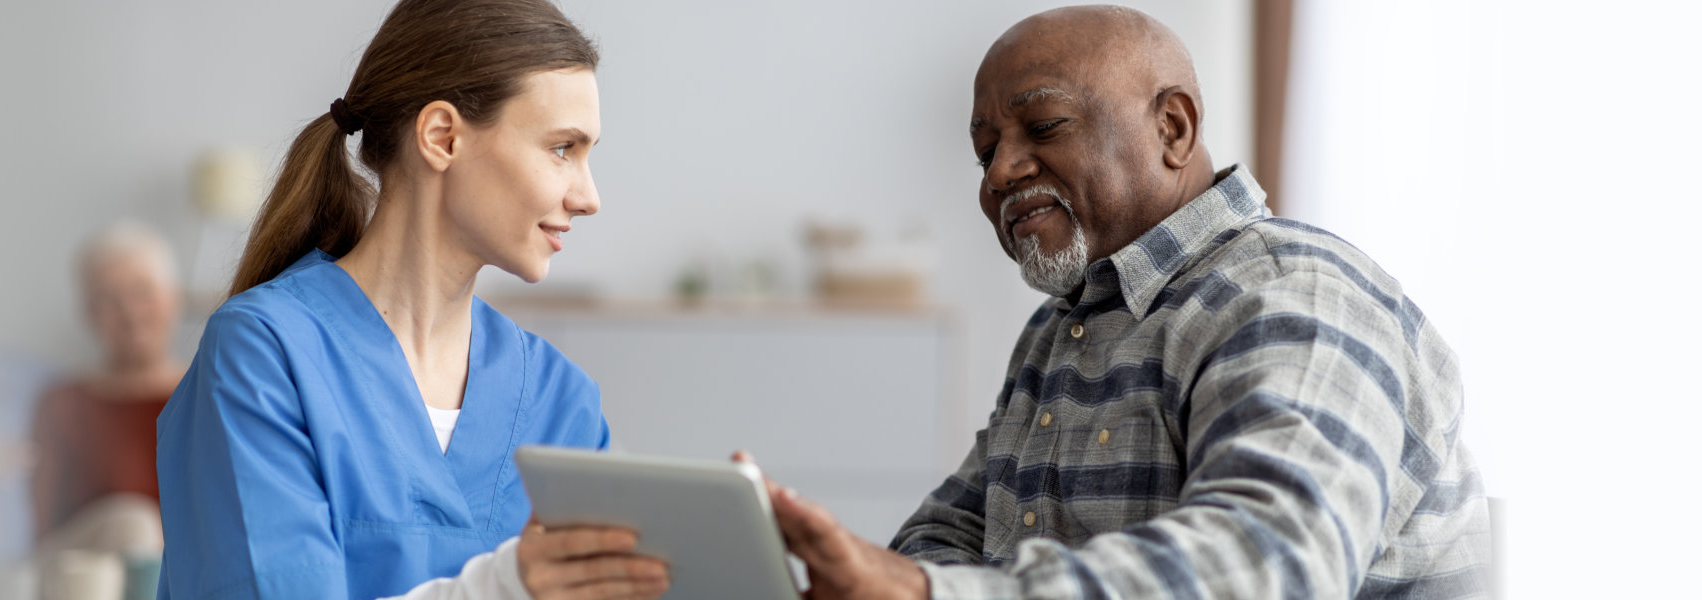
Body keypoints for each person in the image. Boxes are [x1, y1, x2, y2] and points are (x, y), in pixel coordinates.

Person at [754, 6, 1491, 599]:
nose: (1001, 171)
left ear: (1172, 128)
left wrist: (923, 593)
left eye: (1043, 127)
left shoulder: (1294, 296)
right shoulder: (1062, 328)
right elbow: (950, 533)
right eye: (985, 151)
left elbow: (1272, 566)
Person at [154, 1, 668, 599]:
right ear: (441, 137)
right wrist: (505, 588)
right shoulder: (265, 357)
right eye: (563, 149)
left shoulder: (560, 400)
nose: (589, 196)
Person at [31, 221, 179, 562]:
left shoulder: (211, 393)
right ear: (87, 313)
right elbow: (43, 529)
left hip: (189, 571)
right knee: (133, 526)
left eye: (142, 292)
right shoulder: (62, 404)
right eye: (110, 299)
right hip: (82, 571)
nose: (130, 314)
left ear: (173, 298)